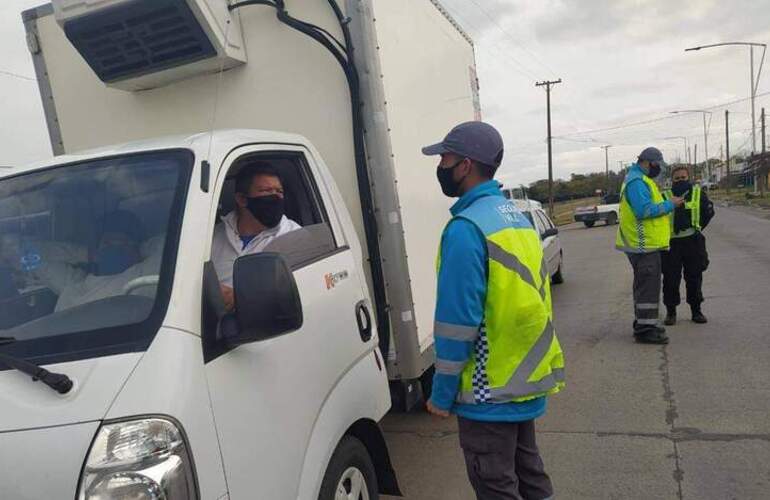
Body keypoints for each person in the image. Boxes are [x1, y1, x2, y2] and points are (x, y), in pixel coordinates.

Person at [422, 121, 565, 500]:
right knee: (529, 476)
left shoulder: (466, 228)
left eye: (445, 159)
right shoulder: (516, 219)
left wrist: (441, 394)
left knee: (495, 485)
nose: (440, 166)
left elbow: (457, 325)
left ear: (465, 165)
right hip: (523, 383)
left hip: (489, 393)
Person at [615, 147, 685, 344]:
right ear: (646, 162)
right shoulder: (637, 182)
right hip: (642, 246)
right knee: (648, 288)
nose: (658, 170)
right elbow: (644, 211)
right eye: (656, 166)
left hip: (643, 245)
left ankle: (644, 324)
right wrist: (670, 204)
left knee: (645, 286)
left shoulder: (640, 179)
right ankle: (646, 329)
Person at [31, 210, 163, 312]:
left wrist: (142, 248)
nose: (114, 248)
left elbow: (174, 242)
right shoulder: (72, 285)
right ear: (96, 249)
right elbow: (24, 253)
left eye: (123, 243)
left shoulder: (147, 275)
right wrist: (84, 253)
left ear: (138, 248)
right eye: (107, 243)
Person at [211, 162, 300, 311]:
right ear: (242, 199)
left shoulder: (295, 237)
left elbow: (303, 294)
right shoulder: (213, 236)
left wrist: (238, 299)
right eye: (266, 191)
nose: (276, 196)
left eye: (279, 191)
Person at [661, 166, 715, 325]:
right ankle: (671, 312)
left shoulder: (698, 194)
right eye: (677, 178)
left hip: (692, 241)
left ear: (689, 178)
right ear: (672, 180)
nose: (680, 181)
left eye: (683, 177)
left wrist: (697, 228)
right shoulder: (665, 196)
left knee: (694, 277)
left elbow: (708, 213)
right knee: (671, 279)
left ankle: (696, 311)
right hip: (671, 244)